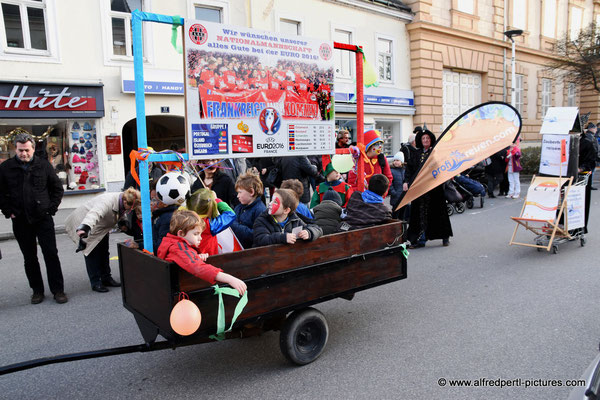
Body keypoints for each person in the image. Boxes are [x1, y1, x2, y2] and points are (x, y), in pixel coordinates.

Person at [0, 133, 67, 304]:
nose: (24, 154)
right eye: (21, 150)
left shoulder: (43, 165)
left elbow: (57, 189)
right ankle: (37, 291)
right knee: (30, 258)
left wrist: (50, 209)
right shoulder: (6, 168)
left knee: (51, 254)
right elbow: (1, 194)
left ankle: (58, 290)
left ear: (33, 149)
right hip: (21, 220)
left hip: (42, 218)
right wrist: (9, 212)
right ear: (16, 149)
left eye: (27, 150)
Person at [65, 188, 141, 293]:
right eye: (131, 208)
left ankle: (106, 278)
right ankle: (95, 282)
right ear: (125, 201)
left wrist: (123, 221)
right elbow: (94, 214)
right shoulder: (107, 201)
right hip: (85, 223)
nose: (130, 211)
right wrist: (85, 227)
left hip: (101, 226)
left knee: (104, 251)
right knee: (91, 252)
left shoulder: (123, 198)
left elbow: (120, 211)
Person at [157, 210, 246, 295]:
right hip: (177, 291)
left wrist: (196, 256)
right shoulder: (179, 248)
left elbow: (182, 259)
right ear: (181, 234)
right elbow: (197, 267)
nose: (200, 238)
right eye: (196, 234)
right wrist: (230, 279)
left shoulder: (172, 242)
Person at [403, 129, 453, 248]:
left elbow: (443, 167)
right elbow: (409, 169)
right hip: (419, 189)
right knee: (418, 214)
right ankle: (419, 240)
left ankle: (444, 236)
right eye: (423, 138)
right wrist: (406, 181)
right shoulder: (416, 153)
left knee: (438, 213)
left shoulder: (435, 153)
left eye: (427, 138)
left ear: (431, 140)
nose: (425, 140)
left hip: (434, 189)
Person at [253, 188, 322, 247]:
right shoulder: (262, 220)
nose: (270, 204)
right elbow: (260, 239)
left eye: (275, 202)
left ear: (286, 210)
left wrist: (309, 232)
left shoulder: (295, 220)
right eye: (271, 200)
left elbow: (318, 229)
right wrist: (282, 237)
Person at [185, 188, 236, 255]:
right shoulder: (209, 225)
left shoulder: (183, 219)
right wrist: (217, 200)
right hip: (209, 260)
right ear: (211, 208)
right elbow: (230, 214)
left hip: (191, 258)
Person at [230, 172, 266, 249]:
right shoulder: (239, 207)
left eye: (240, 192)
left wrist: (234, 226)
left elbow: (257, 235)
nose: (237, 196)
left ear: (251, 192)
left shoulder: (260, 210)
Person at [579, 126, 596, 233]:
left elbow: (591, 162)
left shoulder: (586, 143)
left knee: (581, 202)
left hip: (581, 177)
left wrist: (581, 168)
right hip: (565, 177)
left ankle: (580, 227)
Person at [389, 152, 405, 219]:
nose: (395, 162)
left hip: (403, 197)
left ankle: (402, 228)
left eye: (397, 160)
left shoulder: (405, 170)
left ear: (402, 162)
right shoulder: (391, 171)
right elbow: (390, 183)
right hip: (396, 197)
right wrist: (393, 192)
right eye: (394, 160)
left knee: (402, 215)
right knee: (395, 215)